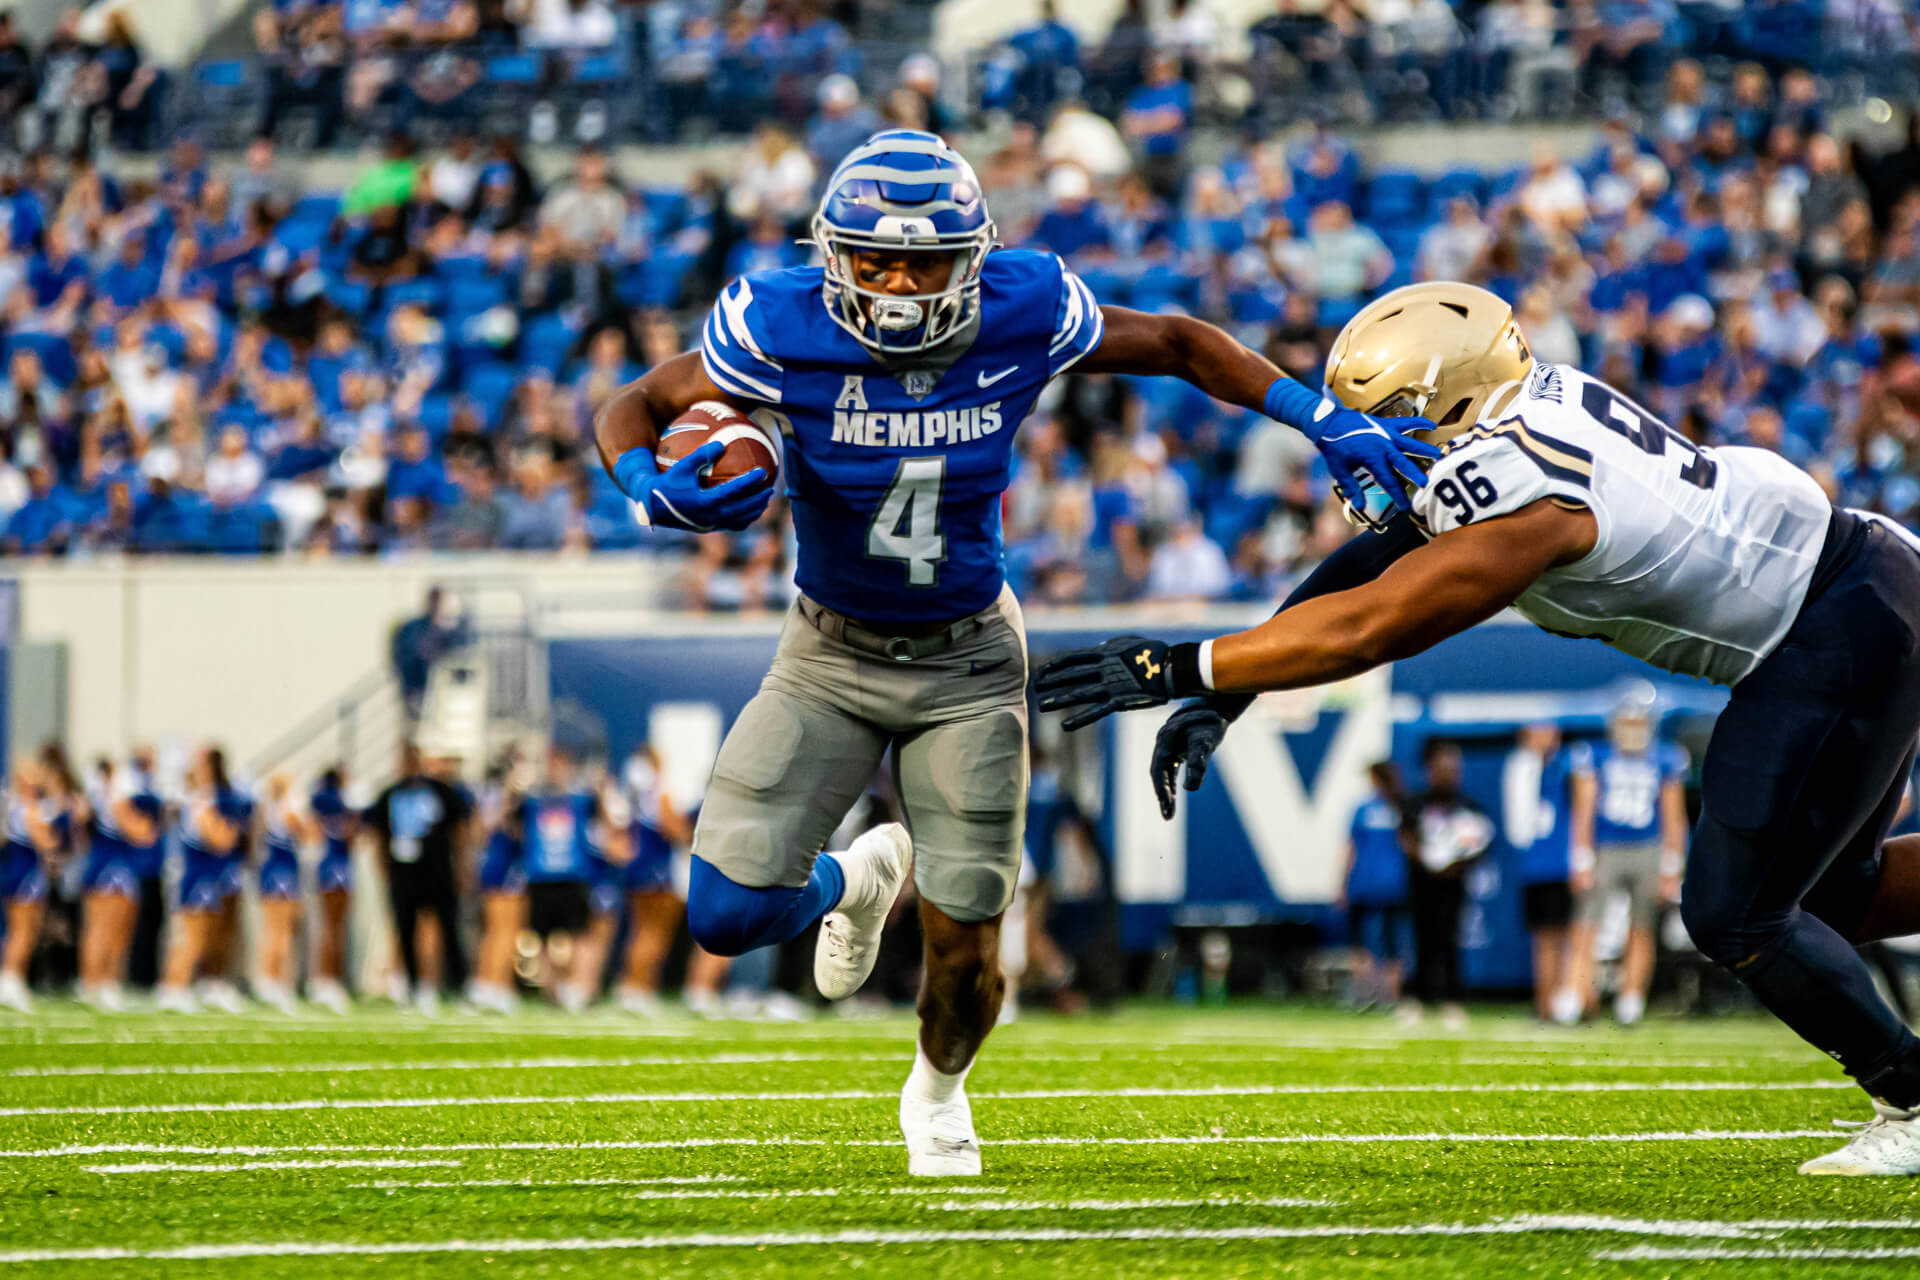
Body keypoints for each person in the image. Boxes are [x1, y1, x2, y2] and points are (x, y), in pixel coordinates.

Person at [592, 128, 1435, 1177]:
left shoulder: (1023, 307)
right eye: (875, 258)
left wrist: (1319, 415)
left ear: (974, 259)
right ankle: (858, 879)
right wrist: (641, 486)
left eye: (926, 260)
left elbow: (1175, 340)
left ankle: (938, 1092)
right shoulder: (776, 320)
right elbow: (636, 401)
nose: (899, 282)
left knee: (966, 952)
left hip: (969, 662)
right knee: (724, 912)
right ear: (833, 254)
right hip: (827, 651)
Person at [1037, 279, 1920, 1176]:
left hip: (1830, 632)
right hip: (1862, 585)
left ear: (1445, 400)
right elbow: (1375, 557)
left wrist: (1186, 666)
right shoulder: (1534, 403)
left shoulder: (1520, 480)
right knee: (1830, 898)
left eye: (1381, 413)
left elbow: (1376, 623)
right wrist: (1231, 695)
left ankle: (1912, 1092)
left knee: (1736, 915)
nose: (1360, 437)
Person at [1557, 683, 1689, 1027]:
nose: (1632, 727)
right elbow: (1583, 810)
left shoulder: (1666, 757)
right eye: (1627, 720)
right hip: (1606, 847)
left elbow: (1674, 816)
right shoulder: (1595, 755)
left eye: (1638, 721)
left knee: (1642, 927)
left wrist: (1672, 865)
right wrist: (1581, 857)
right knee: (1585, 924)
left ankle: (1631, 1000)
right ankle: (1573, 996)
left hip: (1648, 846)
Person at [366, 743, 472, 1016]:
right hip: (404, 875)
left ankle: (458, 987)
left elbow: (461, 829)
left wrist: (462, 867)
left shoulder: (440, 791)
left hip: (437, 872)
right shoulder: (389, 794)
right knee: (406, 931)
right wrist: (383, 871)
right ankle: (413, 987)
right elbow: (378, 835)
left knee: (448, 930)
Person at [1401, 741, 1493, 1028]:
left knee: (1450, 941)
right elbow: (1406, 838)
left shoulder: (1467, 806)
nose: (1449, 774)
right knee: (1421, 941)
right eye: (1443, 767)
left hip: (1453, 884)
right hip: (1421, 883)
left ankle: (1452, 1000)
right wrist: (1429, 859)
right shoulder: (1416, 803)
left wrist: (1454, 864)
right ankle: (1415, 998)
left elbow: (1480, 846)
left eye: (1453, 768)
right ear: (1430, 769)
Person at [156, 746, 247, 1014]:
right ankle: (174, 986)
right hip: (196, 877)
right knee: (192, 935)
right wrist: (231, 827)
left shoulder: (202, 801)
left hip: (207, 877)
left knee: (206, 936)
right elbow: (221, 841)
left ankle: (184, 985)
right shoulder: (199, 803)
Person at [615, 742, 695, 1017]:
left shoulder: (632, 789)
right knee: (655, 932)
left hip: (639, 865)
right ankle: (638, 986)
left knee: (640, 930)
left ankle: (635, 985)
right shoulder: (657, 789)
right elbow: (670, 826)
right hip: (657, 867)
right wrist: (691, 834)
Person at [77, 754, 162, 1012]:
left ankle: (106, 982)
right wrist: (149, 823)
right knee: (104, 929)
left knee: (118, 931)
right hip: (110, 868)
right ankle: (94, 982)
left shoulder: (103, 795)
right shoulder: (115, 796)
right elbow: (141, 835)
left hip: (116, 865)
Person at [518, 743, 599, 1011]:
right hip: (541, 878)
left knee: (581, 935)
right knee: (540, 939)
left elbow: (608, 820)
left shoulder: (580, 800)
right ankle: (551, 990)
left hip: (572, 877)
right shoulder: (531, 801)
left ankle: (580, 988)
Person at [1504, 723, 1575, 1022]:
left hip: (1567, 865)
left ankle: (1567, 999)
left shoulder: (1568, 766)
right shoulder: (1523, 767)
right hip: (1539, 866)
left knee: (1570, 937)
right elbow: (1519, 824)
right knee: (1545, 939)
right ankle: (1546, 1002)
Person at [1340, 761, 1413, 1010]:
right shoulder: (1399, 808)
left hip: (1367, 880)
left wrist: (1342, 883)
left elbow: (1351, 848)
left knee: (1361, 941)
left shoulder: (1365, 809)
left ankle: (1365, 995)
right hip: (1394, 881)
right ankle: (1390, 998)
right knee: (1392, 941)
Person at [0, 759, 61, 1012]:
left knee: (19, 929)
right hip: (25, 873)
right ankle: (10, 979)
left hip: (13, 870)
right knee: (23, 930)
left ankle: (14, 979)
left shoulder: (13, 804)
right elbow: (46, 842)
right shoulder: (29, 808)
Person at [469, 753, 528, 1015]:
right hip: (506, 864)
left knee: (493, 930)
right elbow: (512, 831)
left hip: (491, 863)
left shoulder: (485, 795)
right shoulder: (509, 798)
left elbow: (478, 832)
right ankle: (498, 985)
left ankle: (484, 983)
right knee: (507, 930)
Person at [255, 774, 318, 1015]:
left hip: (274, 871)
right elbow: (309, 834)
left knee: (276, 930)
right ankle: (276, 981)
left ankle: (271, 980)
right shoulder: (285, 810)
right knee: (281, 931)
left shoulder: (268, 809)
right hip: (282, 873)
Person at [308, 766, 358, 1015]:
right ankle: (326, 978)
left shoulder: (328, 802)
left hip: (333, 865)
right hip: (334, 865)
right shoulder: (335, 803)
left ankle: (326, 979)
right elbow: (348, 836)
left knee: (333, 928)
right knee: (333, 928)